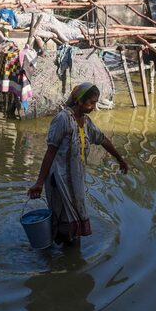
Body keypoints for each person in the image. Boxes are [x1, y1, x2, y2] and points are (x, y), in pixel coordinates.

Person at [28, 82, 129, 244]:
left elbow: (103, 140)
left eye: (95, 103)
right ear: (79, 101)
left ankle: (64, 258)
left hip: (76, 181)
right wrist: (39, 182)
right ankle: (57, 259)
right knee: (63, 220)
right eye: (91, 103)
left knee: (74, 222)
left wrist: (120, 159)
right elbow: (50, 152)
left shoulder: (86, 122)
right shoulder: (63, 119)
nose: (94, 107)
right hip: (59, 180)